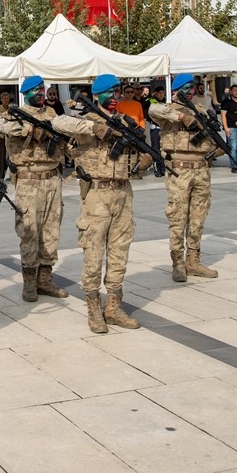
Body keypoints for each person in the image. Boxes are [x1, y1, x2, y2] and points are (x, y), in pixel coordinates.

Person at [50, 74, 149, 332]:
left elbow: (140, 149)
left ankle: (114, 306)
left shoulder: (124, 121)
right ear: (97, 95)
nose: (115, 97)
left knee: (120, 251)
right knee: (93, 252)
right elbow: (58, 121)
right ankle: (93, 307)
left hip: (123, 191)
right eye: (110, 93)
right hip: (96, 195)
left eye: (118, 92)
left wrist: (145, 159)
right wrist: (95, 128)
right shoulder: (86, 120)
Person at [0, 75, 69, 303]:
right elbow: (0, 126)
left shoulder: (51, 113)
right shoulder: (13, 114)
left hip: (53, 178)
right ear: (26, 93)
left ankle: (44, 278)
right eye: (35, 90)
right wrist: (30, 131)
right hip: (28, 179)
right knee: (29, 231)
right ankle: (29, 282)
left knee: (51, 230)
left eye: (41, 89)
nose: (40, 93)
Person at [150, 74, 222, 284]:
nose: (191, 90)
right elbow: (153, 110)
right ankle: (178, 262)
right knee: (178, 216)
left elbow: (212, 137)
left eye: (193, 87)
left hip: (201, 169)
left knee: (198, 217)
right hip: (179, 170)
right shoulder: (168, 110)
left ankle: (193, 259)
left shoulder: (201, 112)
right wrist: (183, 117)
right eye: (187, 87)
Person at [219, 83, 237, 174]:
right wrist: (226, 128)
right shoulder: (226, 102)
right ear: (230, 92)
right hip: (231, 127)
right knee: (233, 147)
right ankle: (234, 165)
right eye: (235, 90)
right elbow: (223, 116)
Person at [0, 91, 13, 179]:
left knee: (10, 155)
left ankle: (10, 173)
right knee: (2, 155)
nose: (6, 100)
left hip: (9, 134)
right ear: (1, 99)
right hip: (1, 135)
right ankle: (1, 173)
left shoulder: (11, 109)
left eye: (7, 98)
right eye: (4, 98)